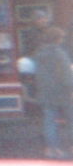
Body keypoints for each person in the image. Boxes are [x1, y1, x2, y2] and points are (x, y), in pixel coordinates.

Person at [33, 27, 73, 159]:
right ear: (58, 39)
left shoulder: (39, 54)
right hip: (62, 92)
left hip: (45, 91)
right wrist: (71, 88)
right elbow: (66, 75)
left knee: (49, 121)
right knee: (70, 119)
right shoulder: (59, 54)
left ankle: (50, 148)